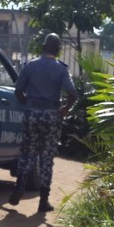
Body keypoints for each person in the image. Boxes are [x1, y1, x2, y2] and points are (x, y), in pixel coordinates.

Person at [9, 33, 78, 213]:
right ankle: (43, 201)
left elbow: (18, 91)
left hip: (32, 114)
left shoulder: (30, 66)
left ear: (43, 47)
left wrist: (29, 105)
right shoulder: (61, 69)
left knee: (27, 152)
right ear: (58, 50)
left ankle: (19, 187)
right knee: (46, 158)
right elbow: (72, 93)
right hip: (51, 116)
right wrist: (65, 109)